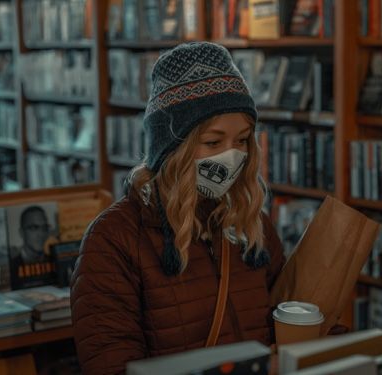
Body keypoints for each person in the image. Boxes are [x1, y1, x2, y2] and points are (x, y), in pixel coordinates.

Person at [70, 42, 286, 375]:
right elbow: (111, 363)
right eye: (213, 142)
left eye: (242, 140)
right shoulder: (114, 239)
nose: (232, 157)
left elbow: (289, 321)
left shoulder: (252, 225)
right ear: (172, 149)